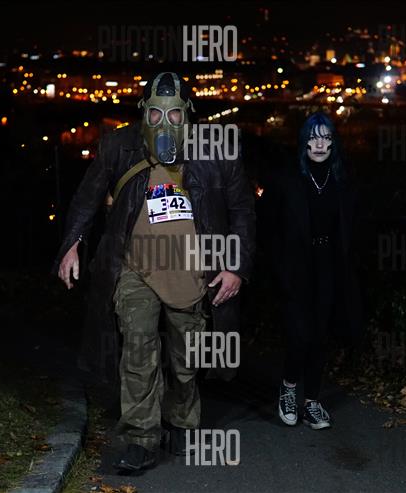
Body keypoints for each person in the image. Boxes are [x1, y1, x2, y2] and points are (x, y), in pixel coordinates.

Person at [55, 72, 255, 472]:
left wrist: (236, 266)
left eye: (175, 114)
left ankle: (181, 420)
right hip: (135, 267)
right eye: (157, 114)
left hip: (191, 271)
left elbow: (242, 212)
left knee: (186, 359)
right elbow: (86, 198)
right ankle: (141, 438)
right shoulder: (118, 146)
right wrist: (71, 244)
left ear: (189, 114)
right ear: (144, 113)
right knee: (138, 350)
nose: (166, 123)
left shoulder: (218, 152)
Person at [263, 111, 362, 430]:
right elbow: (267, 225)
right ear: (304, 141)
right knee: (299, 333)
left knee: (320, 334)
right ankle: (289, 388)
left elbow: (354, 226)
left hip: (328, 264)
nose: (319, 144)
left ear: (333, 143)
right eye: (313, 137)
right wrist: (278, 267)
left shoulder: (342, 180)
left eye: (326, 138)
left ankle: (312, 401)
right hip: (295, 265)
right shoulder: (287, 178)